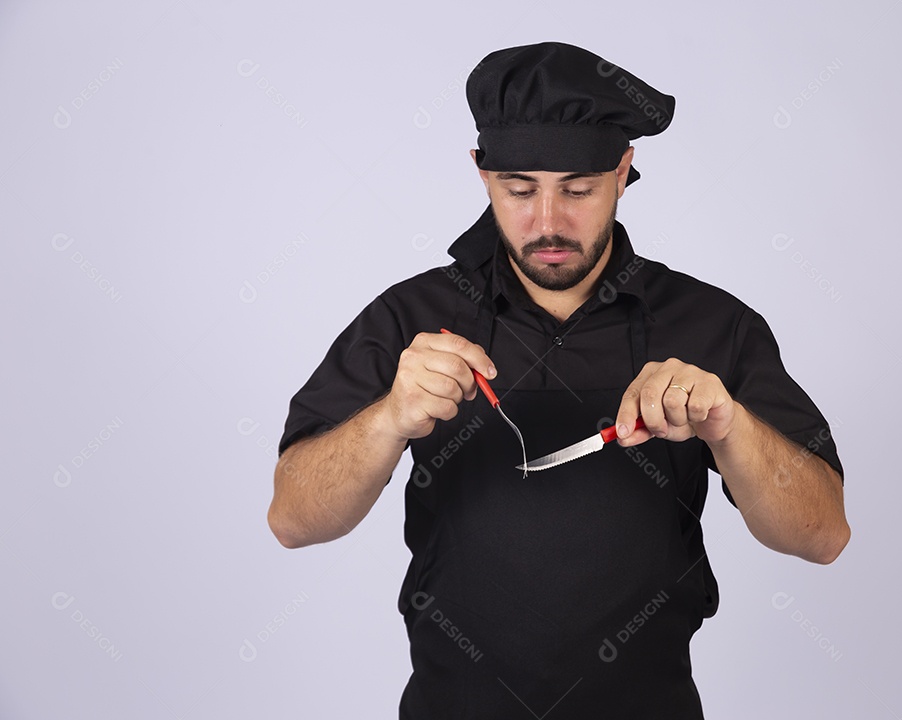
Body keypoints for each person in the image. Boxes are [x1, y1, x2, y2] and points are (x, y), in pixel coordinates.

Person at [269, 41, 849, 719]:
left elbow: (822, 533)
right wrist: (388, 416)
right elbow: (293, 519)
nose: (548, 222)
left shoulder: (711, 325)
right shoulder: (411, 318)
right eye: (519, 189)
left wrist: (731, 426)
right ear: (482, 176)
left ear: (623, 172)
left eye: (577, 189)